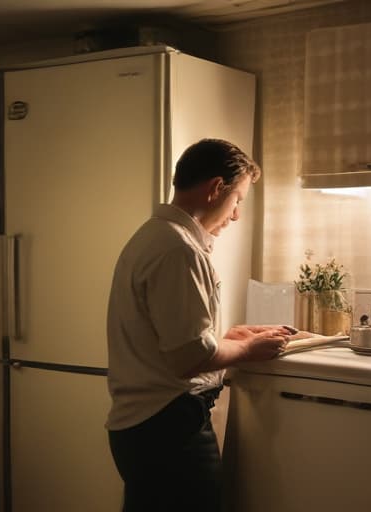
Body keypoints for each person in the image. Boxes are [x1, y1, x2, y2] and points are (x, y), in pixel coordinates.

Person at [106, 138, 295, 512]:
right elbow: (189, 357)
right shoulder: (180, 250)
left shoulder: (153, 236)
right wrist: (245, 350)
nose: (237, 214)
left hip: (142, 429)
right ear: (215, 189)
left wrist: (225, 339)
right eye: (238, 199)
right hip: (168, 430)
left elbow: (174, 342)